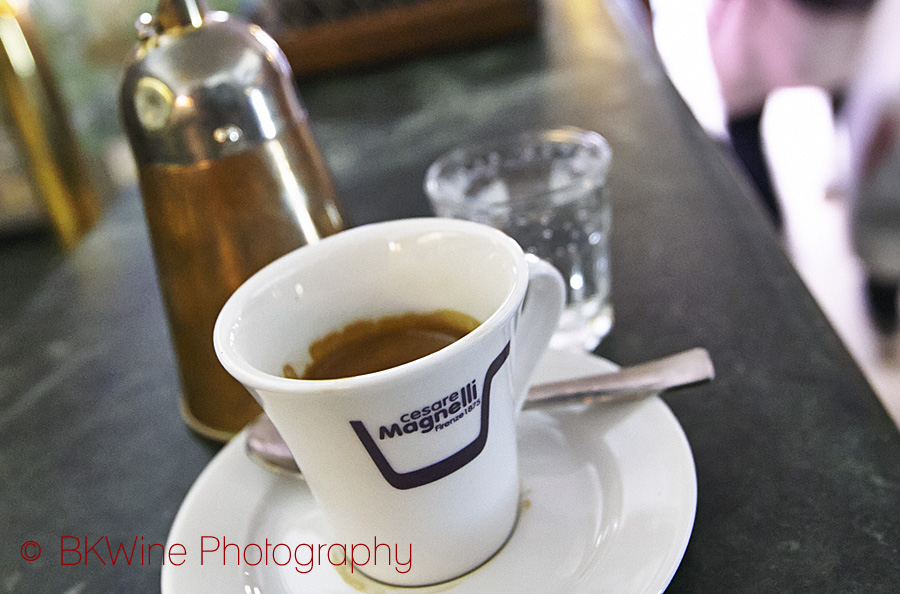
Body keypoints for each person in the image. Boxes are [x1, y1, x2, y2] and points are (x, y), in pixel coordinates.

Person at [707, 0, 874, 230]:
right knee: (852, 107)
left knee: (744, 126)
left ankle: (764, 229)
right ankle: (764, 226)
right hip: (843, 27)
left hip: (770, 26)